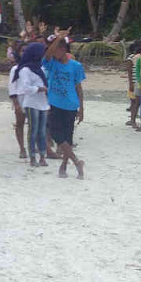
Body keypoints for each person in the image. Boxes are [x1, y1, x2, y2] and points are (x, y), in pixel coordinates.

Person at [44, 34, 85, 179]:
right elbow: (48, 54)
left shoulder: (76, 66)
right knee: (56, 134)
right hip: (55, 103)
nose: (54, 53)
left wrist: (82, 109)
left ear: (63, 50)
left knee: (67, 138)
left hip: (71, 104)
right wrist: (58, 38)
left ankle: (63, 167)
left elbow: (79, 88)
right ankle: (76, 161)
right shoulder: (52, 63)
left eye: (57, 50)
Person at [15, 43, 50, 167]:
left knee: (42, 131)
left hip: (43, 103)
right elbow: (25, 88)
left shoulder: (41, 68)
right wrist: (40, 89)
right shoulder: (25, 70)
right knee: (33, 130)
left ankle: (42, 156)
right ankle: (32, 157)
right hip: (31, 103)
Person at [8, 43, 27, 159]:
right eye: (22, 51)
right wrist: (16, 104)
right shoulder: (15, 69)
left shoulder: (34, 67)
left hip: (32, 99)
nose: (24, 53)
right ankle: (22, 148)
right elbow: (12, 87)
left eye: (26, 50)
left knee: (34, 125)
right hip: (20, 99)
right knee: (19, 124)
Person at [126, 41, 141, 128]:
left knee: (140, 102)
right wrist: (131, 84)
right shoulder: (131, 58)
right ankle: (132, 120)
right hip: (134, 82)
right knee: (134, 102)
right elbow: (129, 71)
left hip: (140, 83)